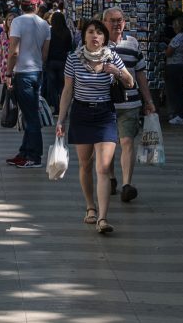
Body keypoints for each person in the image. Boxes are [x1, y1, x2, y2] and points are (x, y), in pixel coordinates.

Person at [55, 19, 134, 234]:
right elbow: (68, 91)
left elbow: (130, 82)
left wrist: (116, 72)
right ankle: (90, 206)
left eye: (99, 32)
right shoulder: (73, 59)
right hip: (81, 113)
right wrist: (61, 120)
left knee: (103, 167)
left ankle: (102, 218)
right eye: (91, 32)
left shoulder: (112, 56)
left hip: (105, 114)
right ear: (84, 36)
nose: (95, 36)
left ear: (104, 38)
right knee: (85, 165)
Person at [103, 7, 157, 201]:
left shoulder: (132, 44)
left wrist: (148, 101)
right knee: (106, 145)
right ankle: (110, 178)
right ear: (105, 23)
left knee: (127, 142)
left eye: (120, 20)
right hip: (105, 103)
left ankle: (127, 184)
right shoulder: (97, 44)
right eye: (112, 20)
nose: (117, 24)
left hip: (130, 103)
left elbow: (141, 75)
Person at [4, 0, 51, 169]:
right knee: (29, 113)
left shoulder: (17, 22)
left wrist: (8, 73)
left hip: (22, 73)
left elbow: (13, 51)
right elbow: (45, 54)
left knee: (31, 117)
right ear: (37, 6)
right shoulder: (45, 24)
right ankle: (24, 151)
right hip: (37, 72)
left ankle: (34, 156)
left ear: (21, 6)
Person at [165, 16, 183, 125]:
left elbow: (169, 52)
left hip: (174, 66)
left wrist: (164, 49)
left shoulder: (178, 38)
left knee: (174, 92)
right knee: (178, 91)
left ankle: (179, 115)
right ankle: (180, 114)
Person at [45, 11, 73, 116]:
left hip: (51, 61)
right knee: (63, 87)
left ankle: (57, 109)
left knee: (52, 87)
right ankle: (64, 109)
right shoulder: (66, 32)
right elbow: (69, 47)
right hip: (63, 62)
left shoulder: (50, 31)